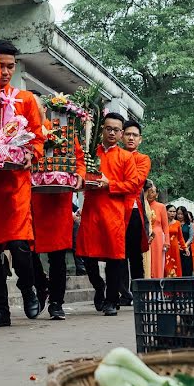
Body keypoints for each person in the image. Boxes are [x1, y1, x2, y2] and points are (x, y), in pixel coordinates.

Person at [0, 39, 44, 329]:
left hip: (14, 184)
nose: (3, 71)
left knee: (19, 245)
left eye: (9, 66)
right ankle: (0, 310)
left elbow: (38, 137)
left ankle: (29, 288)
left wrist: (31, 154)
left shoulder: (25, 100)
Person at [76, 112, 139, 316]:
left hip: (114, 213)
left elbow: (133, 184)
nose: (112, 133)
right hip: (92, 210)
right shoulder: (90, 152)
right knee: (86, 255)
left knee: (114, 258)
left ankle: (111, 300)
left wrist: (109, 183)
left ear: (121, 134)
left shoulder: (126, 157)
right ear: (101, 129)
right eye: (108, 128)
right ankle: (98, 286)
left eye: (116, 130)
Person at [30, 98, 85, 321]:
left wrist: (80, 174)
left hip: (58, 200)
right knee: (26, 250)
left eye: (34, 107)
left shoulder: (62, 129)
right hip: (30, 199)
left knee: (57, 255)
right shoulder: (19, 130)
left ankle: (56, 302)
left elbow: (78, 158)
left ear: (44, 109)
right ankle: (41, 288)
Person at [119, 119, 151, 305]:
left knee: (134, 254)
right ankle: (123, 293)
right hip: (115, 212)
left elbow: (136, 183)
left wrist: (114, 183)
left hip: (133, 211)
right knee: (118, 255)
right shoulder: (115, 154)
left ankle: (139, 292)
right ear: (122, 136)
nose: (131, 138)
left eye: (135, 135)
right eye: (128, 134)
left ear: (140, 139)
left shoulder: (142, 159)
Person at [145, 181, 169, 278]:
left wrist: (167, 241)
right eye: (149, 191)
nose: (151, 194)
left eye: (153, 192)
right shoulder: (142, 205)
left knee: (157, 262)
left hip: (157, 237)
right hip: (145, 236)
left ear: (157, 194)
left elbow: (165, 226)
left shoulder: (161, 206)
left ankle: (157, 284)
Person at [165, 208, 186, 277]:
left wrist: (185, 248)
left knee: (176, 264)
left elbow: (180, 237)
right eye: (170, 211)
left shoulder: (177, 223)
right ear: (166, 212)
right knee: (166, 264)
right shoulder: (163, 222)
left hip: (174, 247)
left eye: (174, 212)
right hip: (165, 247)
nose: (172, 213)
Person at [177, 207, 194, 276]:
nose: (180, 216)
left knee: (187, 268)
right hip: (176, 248)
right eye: (178, 214)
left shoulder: (189, 225)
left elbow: (191, 237)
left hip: (187, 248)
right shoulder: (175, 223)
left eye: (181, 214)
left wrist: (185, 246)